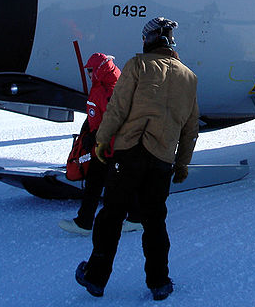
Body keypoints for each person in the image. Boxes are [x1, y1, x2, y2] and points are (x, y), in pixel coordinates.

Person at [75, 17, 199, 301]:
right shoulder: (189, 77)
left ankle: (95, 277)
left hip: (129, 154)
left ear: (151, 39)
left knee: (112, 216)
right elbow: (191, 129)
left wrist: (103, 140)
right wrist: (181, 165)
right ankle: (159, 282)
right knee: (154, 220)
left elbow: (118, 108)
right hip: (162, 161)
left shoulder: (138, 65)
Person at [59, 53, 142, 236]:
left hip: (111, 147)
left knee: (104, 183)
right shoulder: (108, 86)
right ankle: (87, 222)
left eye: (90, 70)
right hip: (109, 146)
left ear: (100, 69)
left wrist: (96, 135)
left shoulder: (108, 90)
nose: (89, 74)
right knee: (104, 183)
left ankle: (87, 222)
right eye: (88, 70)